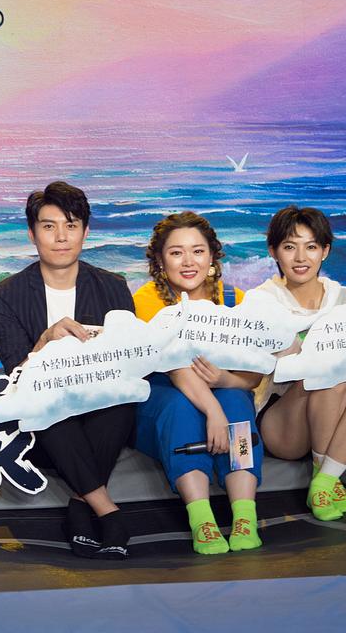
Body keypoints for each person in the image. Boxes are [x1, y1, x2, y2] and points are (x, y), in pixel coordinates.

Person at [0, 182, 136, 559]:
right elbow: (17, 379)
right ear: (32, 233)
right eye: (49, 226)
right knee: (46, 406)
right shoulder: (6, 295)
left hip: (100, 414)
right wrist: (44, 343)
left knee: (122, 400)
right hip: (41, 426)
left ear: (85, 231)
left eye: (71, 225)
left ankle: (81, 507)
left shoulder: (113, 288)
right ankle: (107, 511)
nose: (61, 237)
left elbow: (127, 365)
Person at [253, 205, 346, 521]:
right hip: (284, 423)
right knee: (327, 373)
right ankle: (327, 478)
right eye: (289, 247)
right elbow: (269, 369)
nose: (300, 258)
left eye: (311, 247)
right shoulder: (261, 302)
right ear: (273, 251)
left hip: (334, 414)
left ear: (325, 251)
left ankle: (323, 483)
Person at [132, 211, 264, 555]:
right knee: (181, 406)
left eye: (198, 251)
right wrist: (213, 410)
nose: (189, 261)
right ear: (160, 260)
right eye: (176, 253)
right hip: (161, 397)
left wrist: (224, 379)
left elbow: (253, 374)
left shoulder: (235, 299)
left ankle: (244, 517)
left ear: (212, 256)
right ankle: (202, 520)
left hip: (221, 392)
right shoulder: (148, 300)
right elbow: (176, 367)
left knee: (236, 401)